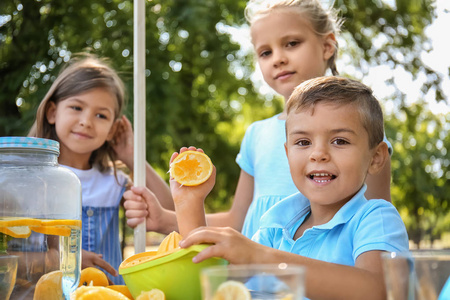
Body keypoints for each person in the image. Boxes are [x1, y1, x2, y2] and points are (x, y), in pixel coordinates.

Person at [124, 0, 393, 239]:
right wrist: (164, 219)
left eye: (291, 43)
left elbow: (375, 223)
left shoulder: (360, 131)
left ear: (327, 46)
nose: (278, 59)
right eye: (265, 52)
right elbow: (238, 222)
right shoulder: (257, 134)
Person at [175, 76, 409, 300]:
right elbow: (216, 285)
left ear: (376, 158)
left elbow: (379, 291)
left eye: (340, 141)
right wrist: (189, 205)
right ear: (287, 154)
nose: (318, 154)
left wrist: (261, 257)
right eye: (303, 142)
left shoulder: (375, 218)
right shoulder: (274, 227)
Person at [28, 54, 172, 284]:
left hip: (108, 294)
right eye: (76, 107)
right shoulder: (29, 180)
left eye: (101, 115)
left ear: (113, 130)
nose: (86, 121)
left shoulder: (113, 183)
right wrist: (66, 259)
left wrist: (133, 158)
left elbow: (168, 210)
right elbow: (11, 257)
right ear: (52, 112)